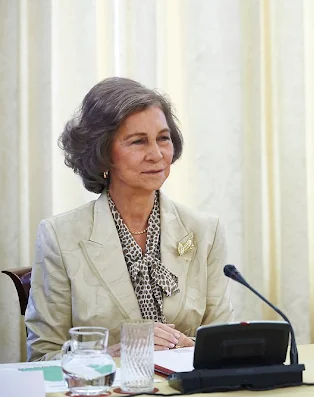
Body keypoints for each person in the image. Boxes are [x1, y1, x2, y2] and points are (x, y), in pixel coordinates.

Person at [25, 77, 233, 361]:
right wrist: (110, 355)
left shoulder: (205, 230)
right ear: (102, 153)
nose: (157, 154)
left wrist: (191, 348)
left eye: (163, 138)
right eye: (138, 142)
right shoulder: (60, 236)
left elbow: (223, 343)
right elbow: (41, 357)